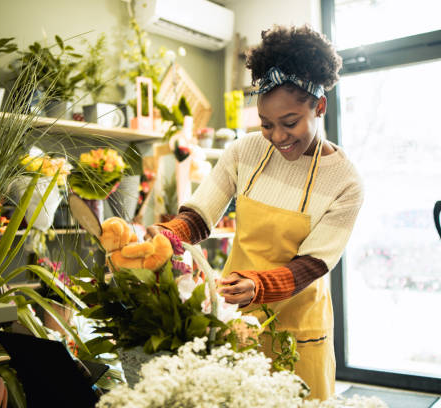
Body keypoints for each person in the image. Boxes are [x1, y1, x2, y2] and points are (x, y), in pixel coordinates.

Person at [147, 24, 363, 400]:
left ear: (320, 106)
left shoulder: (345, 182)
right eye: (266, 124)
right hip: (236, 317)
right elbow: (200, 216)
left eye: (290, 122)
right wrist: (166, 237)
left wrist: (259, 286)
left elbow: (312, 263)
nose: (278, 137)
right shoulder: (243, 152)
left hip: (299, 326)